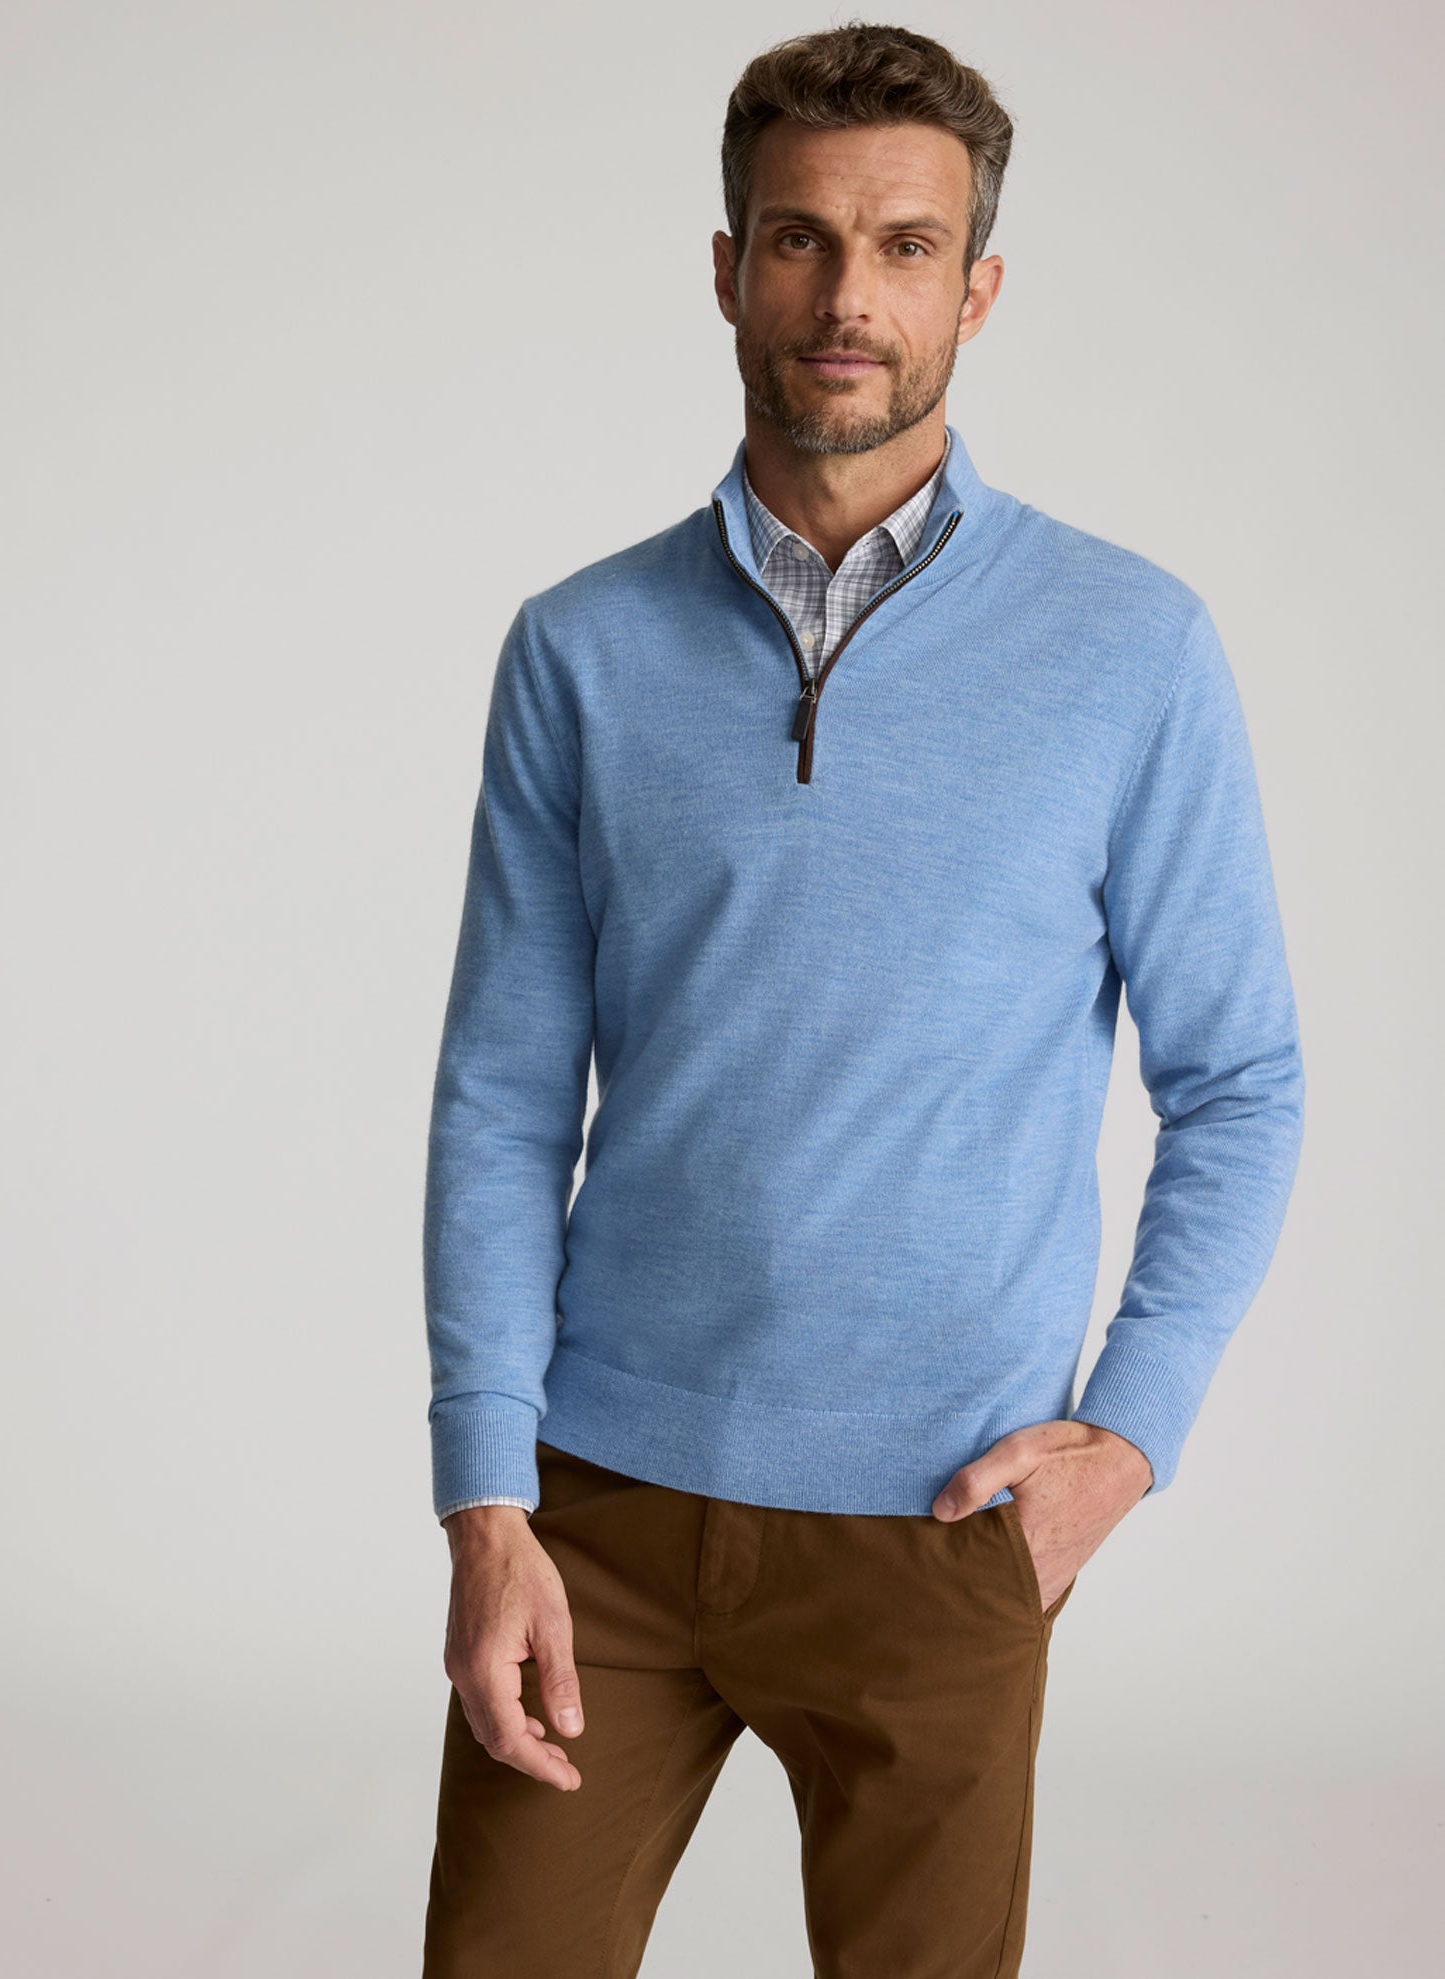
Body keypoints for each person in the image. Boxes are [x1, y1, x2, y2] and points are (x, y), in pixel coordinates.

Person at [417, 21, 1305, 1977]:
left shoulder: (1128, 649)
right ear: (726, 267)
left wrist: (1126, 1438)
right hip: (599, 1521)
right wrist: (486, 1495)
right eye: (801, 238)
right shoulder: (580, 650)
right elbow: (501, 1096)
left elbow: (1241, 1078)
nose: (848, 295)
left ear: (976, 289)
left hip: (944, 1521)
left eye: (907, 246)